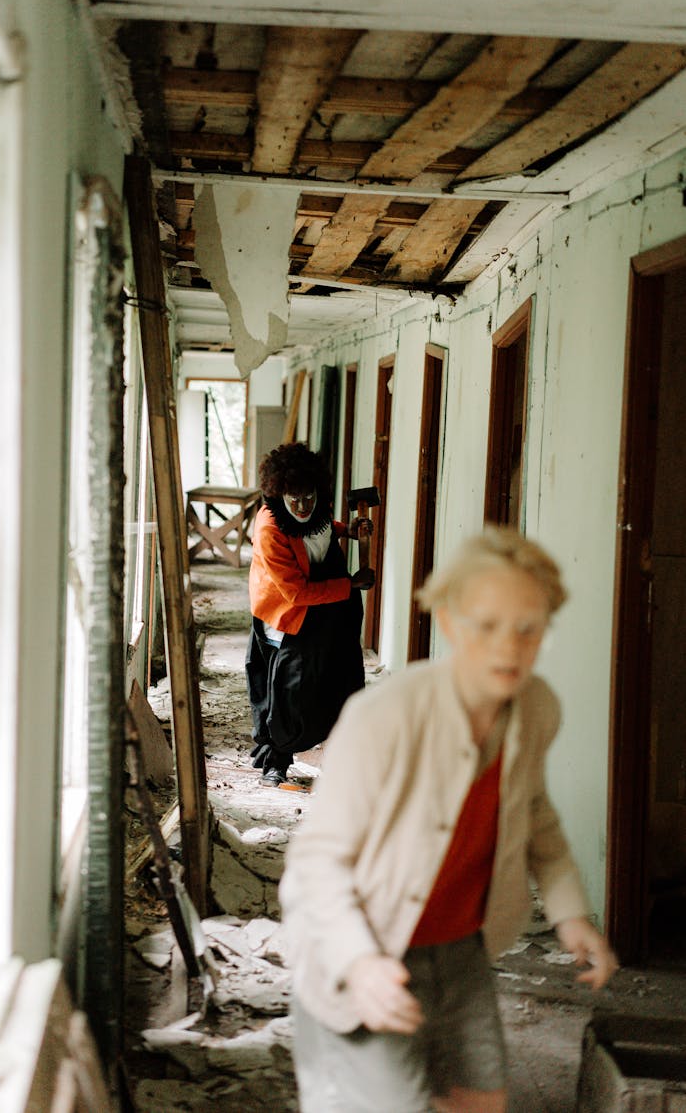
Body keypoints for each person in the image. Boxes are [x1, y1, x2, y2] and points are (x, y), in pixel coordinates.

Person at [279, 525, 619, 1113]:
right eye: (487, 626)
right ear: (451, 623)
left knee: (480, 1099)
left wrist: (570, 915)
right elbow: (316, 863)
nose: (509, 647)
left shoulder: (536, 708)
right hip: (366, 937)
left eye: (528, 628)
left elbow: (536, 817)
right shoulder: (384, 717)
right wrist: (359, 961)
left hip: (461, 948)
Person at [245, 442, 373, 787]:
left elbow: (322, 526)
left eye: (309, 497)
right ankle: (276, 760)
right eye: (294, 499)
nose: (302, 506)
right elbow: (297, 592)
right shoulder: (270, 528)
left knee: (337, 676)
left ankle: (341, 754)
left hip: (325, 604)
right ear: (279, 495)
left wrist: (349, 530)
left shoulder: (315, 508)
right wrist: (351, 585)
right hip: (288, 614)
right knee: (289, 692)